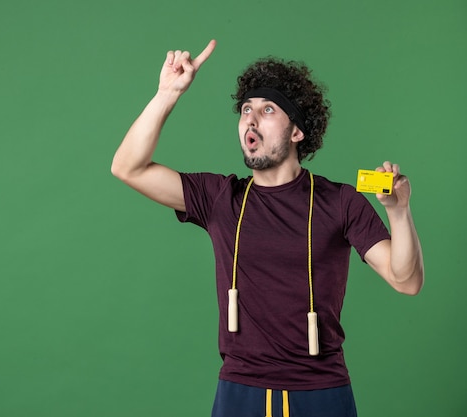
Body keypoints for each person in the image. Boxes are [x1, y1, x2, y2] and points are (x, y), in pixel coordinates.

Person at [111, 39, 424, 417]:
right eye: (246, 110)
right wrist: (167, 94)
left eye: (268, 109)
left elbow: (405, 280)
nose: (251, 119)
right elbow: (128, 167)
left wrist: (398, 210)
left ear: (297, 132)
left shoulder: (340, 201)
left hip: (321, 390)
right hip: (239, 390)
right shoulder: (219, 198)